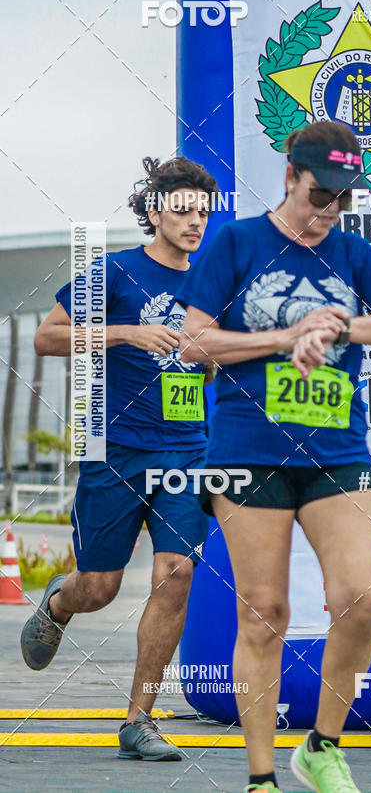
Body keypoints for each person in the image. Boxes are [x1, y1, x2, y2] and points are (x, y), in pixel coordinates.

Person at [177, 120, 371, 793]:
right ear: (290, 177)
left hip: (335, 450)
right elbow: (194, 343)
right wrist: (285, 337)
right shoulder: (237, 241)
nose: (327, 213)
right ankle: (262, 780)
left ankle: (321, 745)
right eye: (319, 195)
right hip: (248, 451)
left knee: (363, 599)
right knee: (264, 612)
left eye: (342, 200)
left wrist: (339, 324)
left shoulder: (350, 252)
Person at [20, 156, 217, 761]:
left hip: (187, 449)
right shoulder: (114, 272)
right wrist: (125, 333)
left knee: (175, 576)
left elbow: (221, 355)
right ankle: (60, 600)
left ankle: (140, 719)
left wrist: (210, 357)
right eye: (182, 210)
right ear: (154, 212)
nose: (194, 223)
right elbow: (47, 338)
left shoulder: (214, 280)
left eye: (203, 213)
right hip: (114, 448)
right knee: (100, 587)